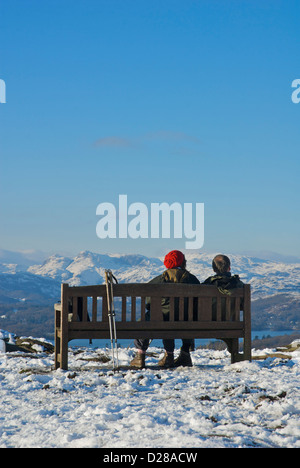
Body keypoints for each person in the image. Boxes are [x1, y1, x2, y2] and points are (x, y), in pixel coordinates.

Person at [130, 250, 200, 369]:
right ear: (183, 263)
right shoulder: (192, 279)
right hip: (187, 321)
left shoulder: (159, 280)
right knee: (188, 315)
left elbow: (148, 302)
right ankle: (185, 354)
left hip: (163, 319)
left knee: (149, 318)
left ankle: (141, 355)